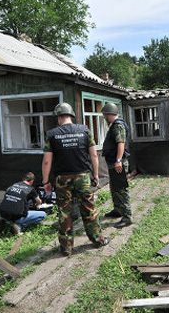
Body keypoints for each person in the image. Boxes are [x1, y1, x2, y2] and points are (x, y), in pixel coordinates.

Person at [42, 102, 110, 256]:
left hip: (62, 179)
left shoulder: (51, 135)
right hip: (83, 177)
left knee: (65, 213)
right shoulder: (85, 131)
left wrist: (46, 182)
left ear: (59, 117)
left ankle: (66, 248)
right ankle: (98, 240)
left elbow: (47, 161)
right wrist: (96, 174)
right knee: (88, 209)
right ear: (71, 115)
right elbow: (93, 155)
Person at [101, 102, 132, 228]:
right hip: (113, 163)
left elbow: (121, 143)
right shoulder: (114, 125)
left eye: (104, 114)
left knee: (121, 189)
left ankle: (127, 217)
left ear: (109, 114)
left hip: (118, 163)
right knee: (114, 188)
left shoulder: (118, 126)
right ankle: (118, 210)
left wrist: (118, 160)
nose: (104, 117)